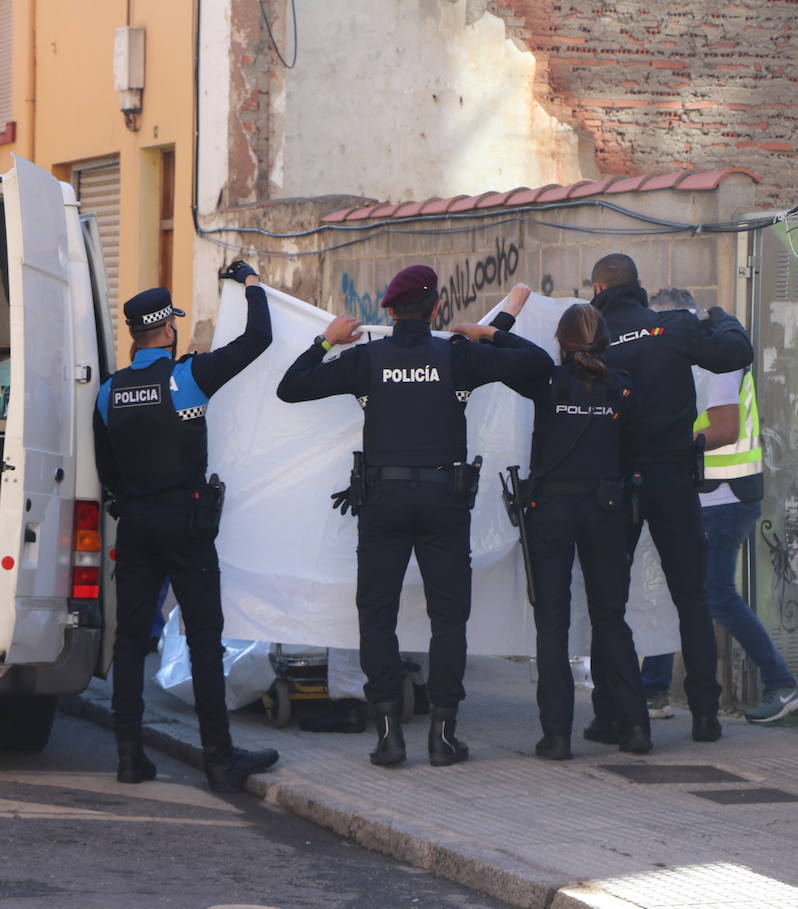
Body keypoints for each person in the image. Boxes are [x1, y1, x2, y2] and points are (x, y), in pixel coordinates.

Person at [276, 265, 552, 767]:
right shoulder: (458, 355)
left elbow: (291, 387)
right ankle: (443, 738)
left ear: (388, 310)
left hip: (382, 502)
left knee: (376, 614)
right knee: (449, 618)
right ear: (436, 309)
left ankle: (388, 737)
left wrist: (326, 340)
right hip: (444, 501)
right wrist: (488, 333)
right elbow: (539, 364)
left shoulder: (365, 358)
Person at [93, 260, 279, 793]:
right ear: (168, 331)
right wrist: (250, 284)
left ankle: (129, 757)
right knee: (203, 637)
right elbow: (259, 338)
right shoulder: (188, 377)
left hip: (135, 525)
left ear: (136, 334)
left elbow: (107, 471)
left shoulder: (109, 391)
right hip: (185, 522)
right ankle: (219, 759)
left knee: (131, 640)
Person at [584, 256, 753, 745]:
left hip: (614, 482)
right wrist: (723, 318)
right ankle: (705, 716)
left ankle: (613, 715)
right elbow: (733, 352)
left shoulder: (592, 336)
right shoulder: (672, 326)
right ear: (639, 285)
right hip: (673, 476)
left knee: (609, 604)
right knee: (691, 596)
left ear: (598, 288)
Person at [480, 288, 650, 759]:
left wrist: (496, 326)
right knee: (611, 620)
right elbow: (634, 451)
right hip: (607, 510)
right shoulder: (623, 386)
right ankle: (636, 729)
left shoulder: (546, 380)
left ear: (561, 341)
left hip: (551, 510)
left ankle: (556, 737)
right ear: (605, 342)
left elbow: (497, 355)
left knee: (552, 625)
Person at [638, 288, 797, 725]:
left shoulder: (719, 360)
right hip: (703, 494)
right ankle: (653, 690)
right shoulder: (689, 358)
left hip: (724, 497)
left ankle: (781, 683)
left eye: (660, 325)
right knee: (679, 591)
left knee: (714, 594)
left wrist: (665, 445)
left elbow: (725, 429)